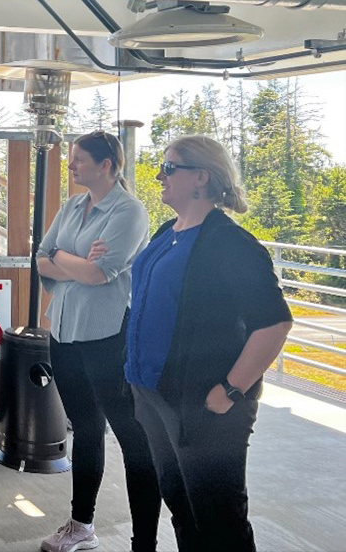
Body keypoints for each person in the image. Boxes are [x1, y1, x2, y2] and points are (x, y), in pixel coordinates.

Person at [126, 135, 291, 552]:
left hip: (204, 403)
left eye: (169, 167)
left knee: (219, 519)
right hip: (155, 396)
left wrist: (230, 391)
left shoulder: (230, 244)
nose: (159, 175)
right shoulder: (169, 231)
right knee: (182, 504)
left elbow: (273, 324)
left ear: (201, 177)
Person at [36, 130, 161, 552]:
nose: (70, 166)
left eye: (79, 160)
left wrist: (61, 260)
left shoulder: (129, 211)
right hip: (65, 332)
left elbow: (99, 273)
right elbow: (39, 257)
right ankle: (80, 525)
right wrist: (71, 262)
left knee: (132, 436)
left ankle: (144, 541)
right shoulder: (72, 206)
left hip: (108, 336)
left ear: (107, 165)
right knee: (86, 430)